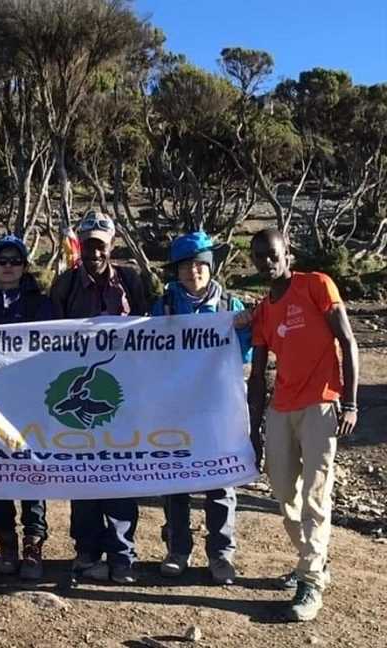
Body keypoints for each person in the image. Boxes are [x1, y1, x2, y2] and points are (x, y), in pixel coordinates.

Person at [247, 228, 359, 622]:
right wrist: (254, 429)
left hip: (322, 405)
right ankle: (315, 560)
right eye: (259, 256)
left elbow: (347, 341)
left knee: (314, 495)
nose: (266, 262)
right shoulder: (263, 310)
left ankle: (310, 581)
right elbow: (257, 376)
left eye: (272, 254)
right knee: (283, 492)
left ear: (287, 253)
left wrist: (351, 403)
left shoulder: (316, 286)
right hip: (281, 408)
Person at [49, 210, 148, 585]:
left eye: (100, 245)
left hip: (124, 393)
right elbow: (48, 337)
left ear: (111, 245)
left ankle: (123, 554)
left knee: (121, 472)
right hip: (76, 390)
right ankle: (87, 552)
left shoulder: (131, 280)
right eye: (88, 244)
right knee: (85, 476)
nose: (94, 252)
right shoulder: (64, 285)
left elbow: (150, 330)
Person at [150, 231, 252, 585]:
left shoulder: (230, 308)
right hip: (176, 408)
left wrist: (242, 328)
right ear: (175, 271)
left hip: (218, 409)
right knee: (176, 480)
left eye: (198, 265)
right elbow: (145, 351)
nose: (192, 272)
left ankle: (221, 555)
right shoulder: (163, 307)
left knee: (220, 481)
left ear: (209, 267)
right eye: (184, 266)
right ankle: (178, 549)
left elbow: (247, 355)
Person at [0, 234, 55, 580]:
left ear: (25, 266)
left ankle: (33, 544)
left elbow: (56, 343)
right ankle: (5, 542)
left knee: (32, 471)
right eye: (2, 261)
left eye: (15, 261)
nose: (8, 267)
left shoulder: (43, 303)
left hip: (31, 399)